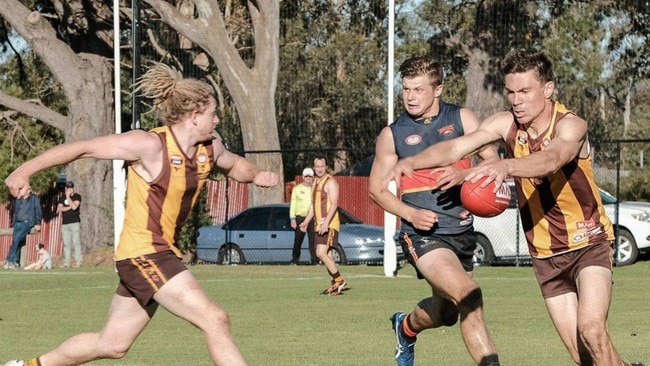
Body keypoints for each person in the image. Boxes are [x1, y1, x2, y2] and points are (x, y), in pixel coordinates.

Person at [2, 63, 279, 366]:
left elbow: (235, 165)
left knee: (112, 343)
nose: (217, 119)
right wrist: (25, 169)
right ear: (195, 114)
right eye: (213, 113)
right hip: (145, 253)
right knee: (215, 318)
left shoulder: (209, 148)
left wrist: (257, 176)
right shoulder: (149, 145)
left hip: (154, 255)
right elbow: (84, 148)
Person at [390, 50, 644, 366]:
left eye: (524, 91)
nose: (516, 100)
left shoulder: (571, 125)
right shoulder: (505, 123)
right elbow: (456, 147)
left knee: (591, 330)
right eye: (511, 92)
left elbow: (551, 159)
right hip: (545, 255)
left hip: (588, 243)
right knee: (584, 357)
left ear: (548, 89)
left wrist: (506, 167)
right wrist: (413, 160)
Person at [368, 55, 501, 366]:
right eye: (406, 90)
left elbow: (493, 161)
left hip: (462, 232)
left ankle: (405, 327)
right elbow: (375, 189)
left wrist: (464, 175)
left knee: (447, 314)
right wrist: (411, 215)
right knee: (470, 294)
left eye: (418, 90)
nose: (411, 97)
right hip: (423, 234)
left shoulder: (463, 119)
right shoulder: (393, 134)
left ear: (438, 88)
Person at [300, 155, 348, 296]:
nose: (320, 169)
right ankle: (335, 284)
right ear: (314, 167)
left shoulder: (330, 182)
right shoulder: (315, 182)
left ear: (326, 167)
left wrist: (326, 222)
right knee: (327, 256)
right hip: (318, 225)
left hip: (329, 224)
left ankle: (340, 281)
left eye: (322, 166)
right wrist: (306, 221)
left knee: (320, 253)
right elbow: (313, 206)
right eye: (317, 166)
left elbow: (334, 204)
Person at [3, 187, 42, 270]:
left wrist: (38, 223)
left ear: (29, 190)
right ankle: (15, 261)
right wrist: (14, 223)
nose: (20, 191)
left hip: (27, 222)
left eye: (22, 189)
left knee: (16, 240)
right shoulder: (19, 199)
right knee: (16, 241)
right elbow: (16, 211)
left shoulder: (34, 198)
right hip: (18, 223)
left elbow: (38, 210)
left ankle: (9, 260)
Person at [289, 167, 316, 265]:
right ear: (303, 177)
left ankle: (314, 260)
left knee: (313, 240)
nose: (308, 178)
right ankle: (295, 259)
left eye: (310, 176)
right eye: (306, 176)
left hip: (312, 218)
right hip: (300, 217)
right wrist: (293, 219)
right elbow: (293, 205)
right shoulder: (297, 189)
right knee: (298, 239)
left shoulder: (315, 188)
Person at [57, 181, 82, 267]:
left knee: (76, 243)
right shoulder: (62, 197)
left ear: (73, 188)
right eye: (68, 188)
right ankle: (66, 263)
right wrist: (69, 206)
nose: (69, 189)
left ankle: (78, 261)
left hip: (75, 222)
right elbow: (60, 208)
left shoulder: (77, 196)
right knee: (66, 244)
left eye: (71, 188)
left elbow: (75, 207)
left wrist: (68, 197)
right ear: (66, 188)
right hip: (65, 224)